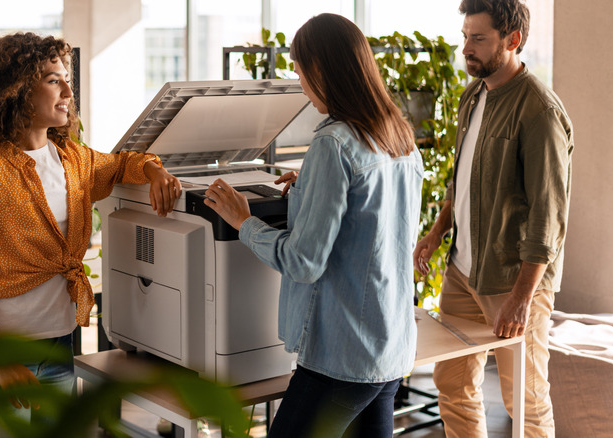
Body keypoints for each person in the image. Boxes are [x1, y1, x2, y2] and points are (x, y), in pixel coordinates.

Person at [205, 13, 423, 438]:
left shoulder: (332, 143)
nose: (300, 83)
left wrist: (244, 222)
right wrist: (310, 187)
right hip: (390, 350)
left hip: (340, 358)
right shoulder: (399, 136)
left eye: (300, 70)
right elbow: (376, 226)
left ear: (322, 69)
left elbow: (304, 262)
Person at [0, 33, 181, 415]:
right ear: (17, 91)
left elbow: (122, 164)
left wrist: (155, 171)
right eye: (54, 81)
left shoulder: (74, 160)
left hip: (58, 344)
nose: (69, 91)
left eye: (67, 80)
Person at [412, 1, 573, 437]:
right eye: (465, 36)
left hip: (513, 280)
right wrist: (437, 232)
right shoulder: (473, 95)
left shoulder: (539, 111)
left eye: (479, 39)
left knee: (525, 399)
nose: (467, 48)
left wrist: (522, 298)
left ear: (512, 40)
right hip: (463, 272)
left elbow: (549, 215)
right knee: (453, 385)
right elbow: (464, 180)